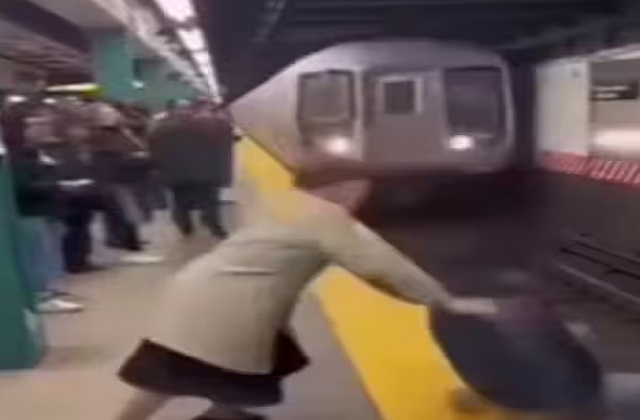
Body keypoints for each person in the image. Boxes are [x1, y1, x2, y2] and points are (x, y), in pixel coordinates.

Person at [115, 157, 495, 420]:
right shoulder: (326, 218)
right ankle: (225, 414)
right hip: (232, 306)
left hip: (199, 290)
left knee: (180, 369)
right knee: (185, 373)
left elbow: (368, 268)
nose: (363, 196)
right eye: (360, 188)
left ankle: (225, 412)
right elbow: (383, 265)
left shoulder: (283, 204)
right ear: (340, 188)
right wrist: (449, 301)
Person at [5, 103, 84, 312]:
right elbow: (20, 186)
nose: (45, 128)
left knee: (50, 254)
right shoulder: (16, 156)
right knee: (37, 257)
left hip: (47, 210)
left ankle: (50, 290)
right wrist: (55, 184)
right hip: (31, 212)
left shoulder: (38, 152)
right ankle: (41, 295)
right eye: (37, 124)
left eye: (47, 123)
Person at [147, 102, 235, 238]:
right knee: (210, 202)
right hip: (203, 172)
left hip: (175, 175)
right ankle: (216, 228)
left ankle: (185, 228)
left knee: (180, 203)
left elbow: (154, 154)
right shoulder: (202, 125)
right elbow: (222, 134)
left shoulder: (157, 130)